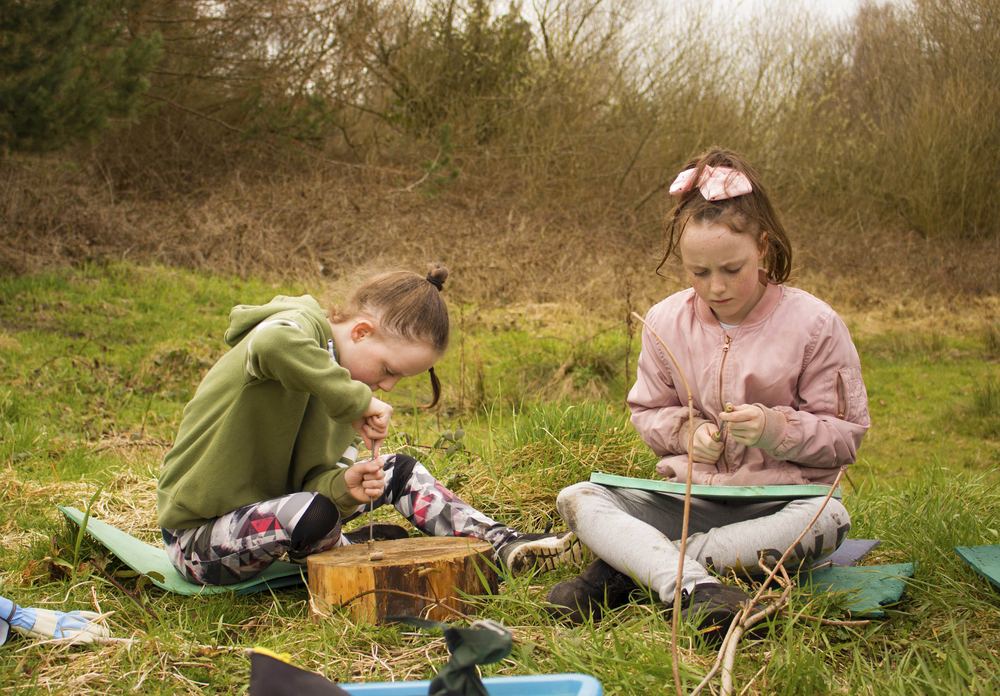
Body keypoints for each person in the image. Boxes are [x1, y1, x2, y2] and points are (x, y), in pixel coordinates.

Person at [546, 148, 870, 629]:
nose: (716, 287)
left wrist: (772, 429)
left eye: (731, 269)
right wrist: (685, 434)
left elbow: (845, 436)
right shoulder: (663, 321)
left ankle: (628, 567)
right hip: (688, 500)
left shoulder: (816, 324)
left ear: (762, 247)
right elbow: (647, 411)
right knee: (579, 497)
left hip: (781, 503)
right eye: (699, 273)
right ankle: (697, 586)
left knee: (829, 522)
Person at [157, 265, 580, 586]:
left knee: (398, 472)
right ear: (360, 332)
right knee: (310, 514)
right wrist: (354, 400)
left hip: (283, 515)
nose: (388, 386)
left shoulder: (344, 386)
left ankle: (502, 544)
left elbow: (313, 485)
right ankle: (346, 550)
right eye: (388, 369)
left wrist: (345, 486)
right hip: (199, 540)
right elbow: (272, 344)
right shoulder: (296, 326)